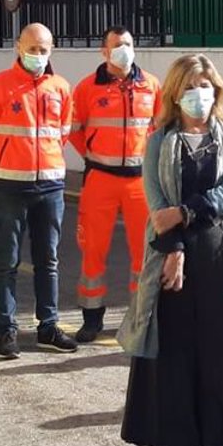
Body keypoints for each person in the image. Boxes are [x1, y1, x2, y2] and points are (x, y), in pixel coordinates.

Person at [120, 55, 223, 446]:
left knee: (220, 354)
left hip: (222, 260)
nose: (198, 95)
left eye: (205, 86)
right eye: (190, 86)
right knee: (178, 354)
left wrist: (184, 213)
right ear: (174, 93)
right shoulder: (159, 142)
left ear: (216, 91)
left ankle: (217, 443)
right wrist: (175, 250)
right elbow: (156, 205)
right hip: (174, 261)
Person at [0, 23, 78, 360]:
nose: (38, 55)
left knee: (49, 260)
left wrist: (43, 165)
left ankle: (48, 326)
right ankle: (6, 331)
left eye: (43, 49)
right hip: (9, 185)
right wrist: (5, 163)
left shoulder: (60, 87)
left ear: (52, 49)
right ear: (19, 47)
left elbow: (61, 134)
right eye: (32, 48)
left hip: (50, 186)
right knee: (7, 261)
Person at [69, 27, 159, 344]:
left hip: (140, 181)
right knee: (92, 250)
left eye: (129, 44)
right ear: (103, 51)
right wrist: (95, 155)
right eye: (117, 45)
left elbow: (159, 130)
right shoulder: (86, 88)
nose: (124, 49)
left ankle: (139, 318)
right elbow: (74, 130)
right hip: (100, 179)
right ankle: (91, 319)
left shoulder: (151, 85)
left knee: (143, 253)